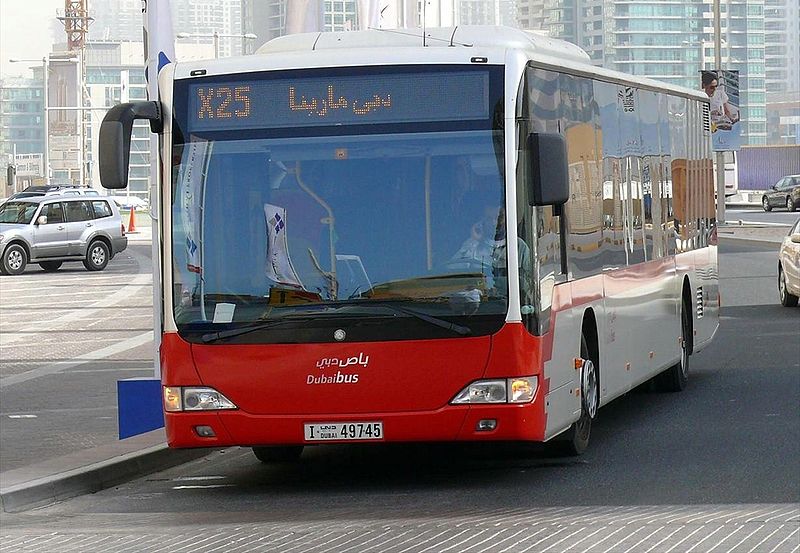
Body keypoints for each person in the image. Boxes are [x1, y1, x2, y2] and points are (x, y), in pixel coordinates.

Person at [448, 205, 531, 294]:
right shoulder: (473, 246)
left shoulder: (518, 246)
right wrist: (474, 241)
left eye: (499, 217)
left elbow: (529, 282)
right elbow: (451, 272)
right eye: (488, 218)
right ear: (482, 221)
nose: (494, 223)